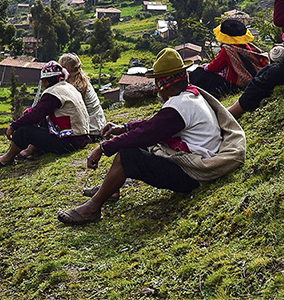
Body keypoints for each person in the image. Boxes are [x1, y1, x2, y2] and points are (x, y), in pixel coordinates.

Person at [56, 48, 246, 224]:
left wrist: (103, 148)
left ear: (163, 83)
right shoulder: (190, 96)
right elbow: (154, 126)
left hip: (193, 174)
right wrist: (125, 127)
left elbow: (148, 133)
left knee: (127, 155)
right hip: (198, 158)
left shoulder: (179, 107)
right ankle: (110, 189)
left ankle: (93, 208)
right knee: (137, 145)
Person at [0, 61, 91, 168]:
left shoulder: (53, 93)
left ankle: (7, 158)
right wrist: (30, 112)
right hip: (80, 138)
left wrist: (13, 126)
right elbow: (41, 110)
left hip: (69, 142)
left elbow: (34, 116)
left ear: (45, 81)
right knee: (44, 119)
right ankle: (32, 150)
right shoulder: (68, 87)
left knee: (23, 131)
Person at [18, 53, 107, 161]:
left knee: (46, 116)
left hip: (89, 130)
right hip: (98, 125)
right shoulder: (81, 80)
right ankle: (32, 148)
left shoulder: (73, 87)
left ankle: (31, 148)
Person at [189, 19, 268, 99]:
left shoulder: (227, 50)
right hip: (250, 79)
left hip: (236, 85)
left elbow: (214, 67)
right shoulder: (247, 46)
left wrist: (204, 67)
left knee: (199, 74)